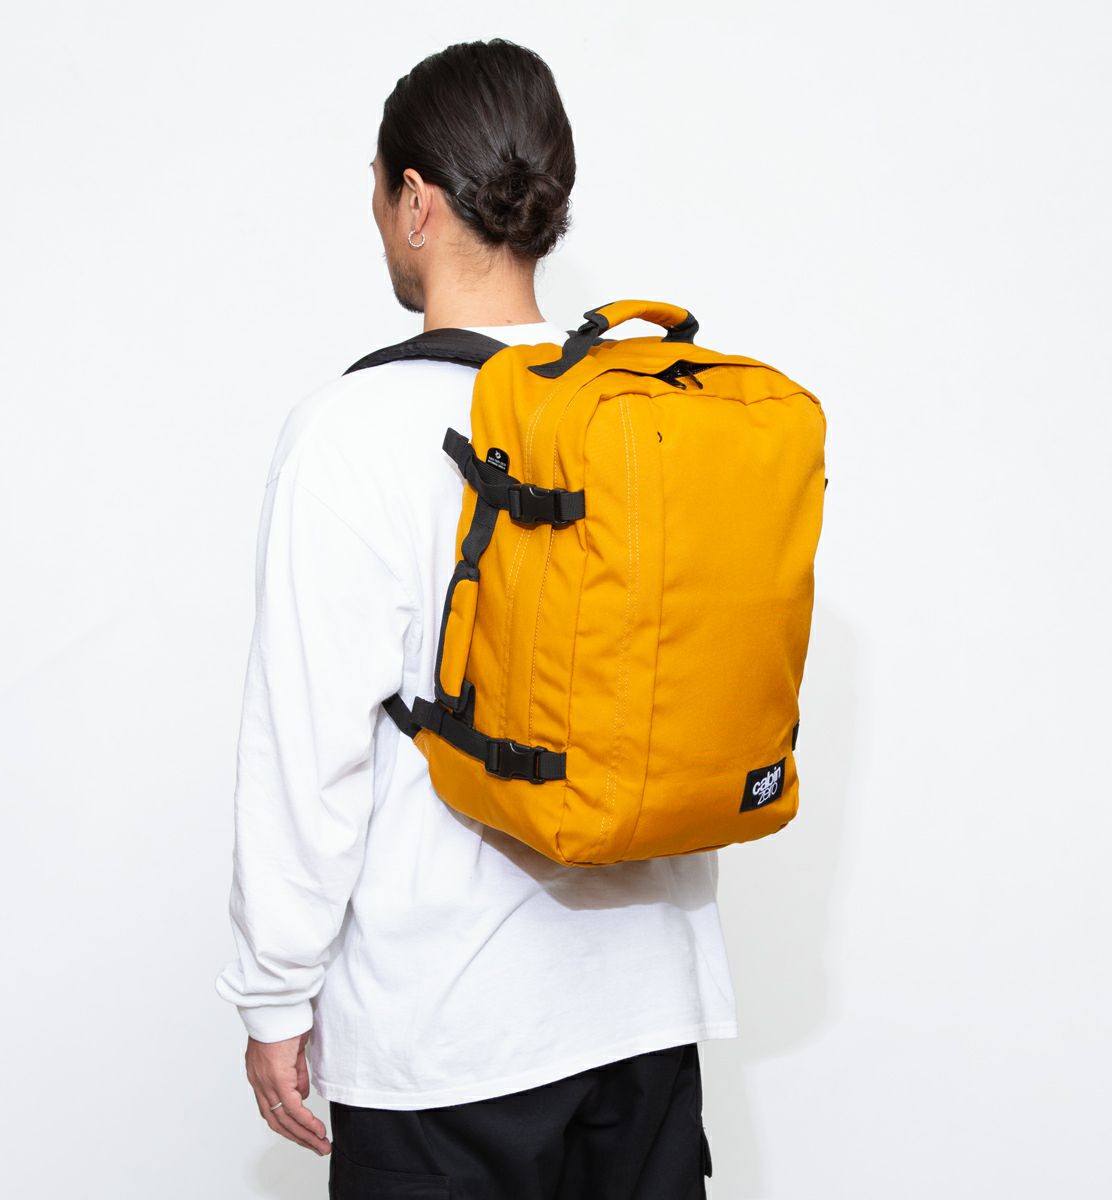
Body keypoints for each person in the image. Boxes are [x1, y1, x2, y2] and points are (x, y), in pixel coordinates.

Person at [214, 37, 732, 1198]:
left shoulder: (351, 431)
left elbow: (305, 748)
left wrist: (272, 995)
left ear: (416, 201)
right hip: (648, 1015)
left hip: (447, 1036)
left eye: (378, 191)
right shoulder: (647, 406)